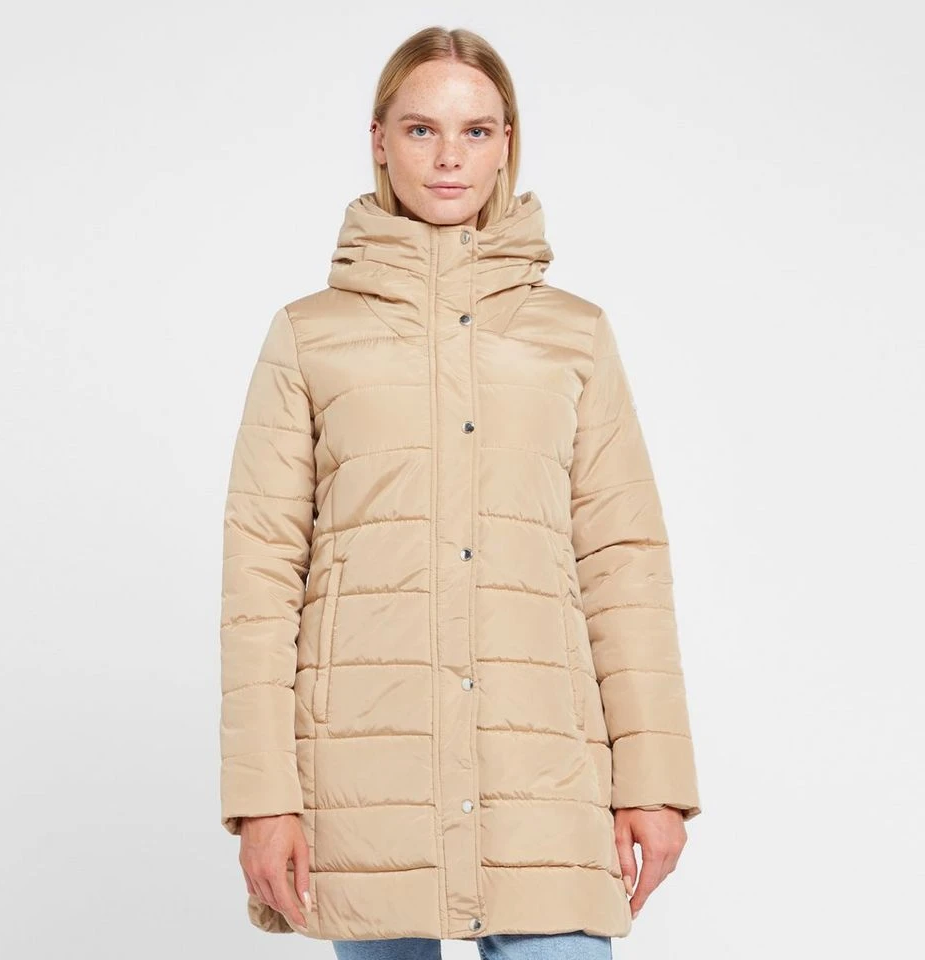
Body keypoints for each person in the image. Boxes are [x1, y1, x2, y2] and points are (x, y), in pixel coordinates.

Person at [218, 25, 702, 960]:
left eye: (476, 131)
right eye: (421, 129)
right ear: (378, 140)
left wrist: (654, 781)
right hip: (364, 778)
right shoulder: (309, 336)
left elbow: (624, 565)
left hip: (543, 772)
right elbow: (260, 577)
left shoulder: (574, 335)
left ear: (507, 143)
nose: (449, 157)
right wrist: (262, 798)